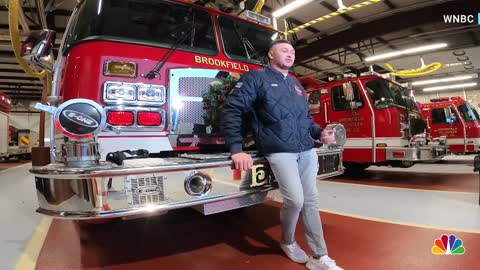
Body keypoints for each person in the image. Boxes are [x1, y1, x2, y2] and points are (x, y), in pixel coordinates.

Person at [221, 39, 343, 270]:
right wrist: (236, 149)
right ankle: (288, 241)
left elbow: (307, 120)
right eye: (284, 50)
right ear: (270, 54)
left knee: (311, 201)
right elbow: (233, 110)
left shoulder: (296, 85)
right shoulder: (256, 78)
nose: (290, 54)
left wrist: (321, 134)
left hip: (306, 150)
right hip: (279, 150)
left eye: (293, 52)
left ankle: (319, 257)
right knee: (295, 200)